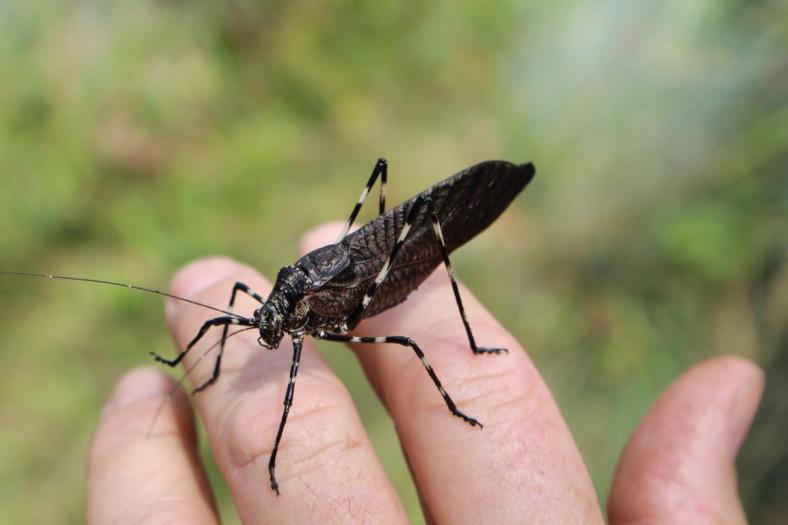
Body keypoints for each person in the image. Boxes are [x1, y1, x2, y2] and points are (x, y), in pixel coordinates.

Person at [85, 224, 763, 524]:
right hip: (322, 279)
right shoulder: (260, 308)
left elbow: (291, 379)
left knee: (404, 336)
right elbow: (224, 318)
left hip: (357, 286)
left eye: (272, 324)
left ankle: (458, 377)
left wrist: (276, 455)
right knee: (219, 309)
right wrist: (187, 369)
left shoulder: (301, 318)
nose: (265, 332)